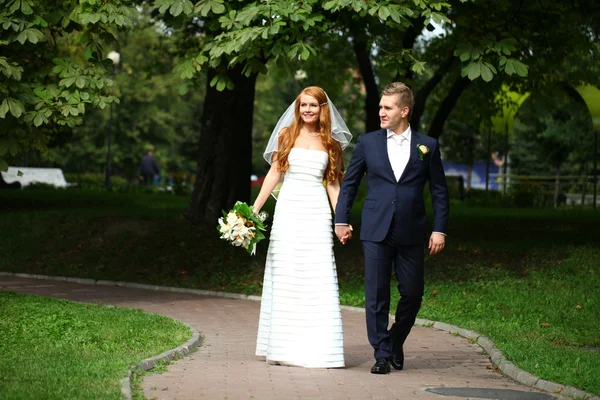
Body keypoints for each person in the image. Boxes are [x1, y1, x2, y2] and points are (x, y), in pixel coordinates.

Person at [334, 82, 449, 374]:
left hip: (412, 230)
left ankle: (396, 339)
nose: (381, 112)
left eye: (387, 107)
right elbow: (350, 183)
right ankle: (382, 355)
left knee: (412, 293)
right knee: (376, 294)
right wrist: (341, 219)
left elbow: (439, 191)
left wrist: (439, 229)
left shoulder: (428, 146)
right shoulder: (368, 142)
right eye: (380, 107)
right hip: (375, 228)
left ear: (404, 110)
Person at [252, 86, 352, 368]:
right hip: (288, 210)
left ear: (323, 109)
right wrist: (255, 208)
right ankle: (282, 348)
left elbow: (333, 185)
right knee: (285, 273)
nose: (308, 110)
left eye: (313, 105)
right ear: (298, 108)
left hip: (316, 211)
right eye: (303, 105)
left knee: (316, 274)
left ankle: (320, 349)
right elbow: (275, 173)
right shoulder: (287, 136)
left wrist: (340, 220)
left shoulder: (331, 143)